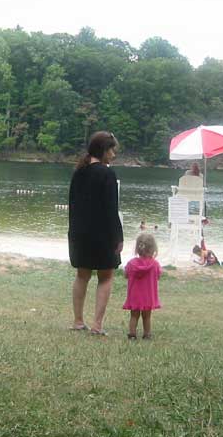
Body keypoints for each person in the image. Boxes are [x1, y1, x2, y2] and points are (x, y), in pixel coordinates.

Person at [68, 131, 123, 336]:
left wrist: (73, 232)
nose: (114, 155)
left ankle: (78, 321)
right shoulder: (107, 174)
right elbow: (111, 210)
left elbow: (72, 205)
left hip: (79, 233)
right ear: (103, 150)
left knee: (82, 276)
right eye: (112, 150)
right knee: (106, 277)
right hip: (102, 234)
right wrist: (118, 237)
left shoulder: (78, 172)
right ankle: (97, 325)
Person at [123, 233, 162, 340]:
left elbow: (126, 274)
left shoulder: (131, 263)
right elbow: (158, 275)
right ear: (153, 249)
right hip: (148, 296)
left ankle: (132, 334)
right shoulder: (155, 264)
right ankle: (147, 334)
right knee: (147, 316)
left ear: (138, 248)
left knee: (134, 316)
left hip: (134, 296)